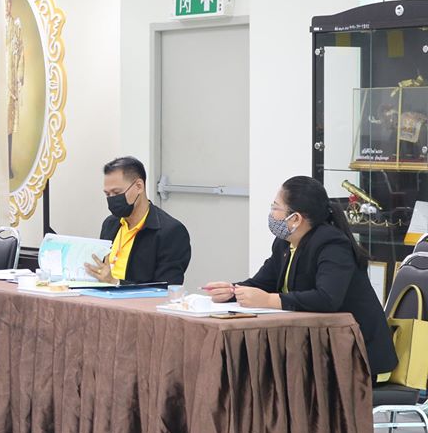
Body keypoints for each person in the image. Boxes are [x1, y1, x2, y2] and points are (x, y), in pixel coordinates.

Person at [204, 176, 398, 382]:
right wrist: (231, 291)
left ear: (295, 218)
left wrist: (269, 300)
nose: (271, 214)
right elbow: (262, 283)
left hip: (357, 356)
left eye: (275, 207)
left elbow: (327, 299)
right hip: (318, 349)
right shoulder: (284, 243)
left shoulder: (332, 244)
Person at [85, 156, 191, 285]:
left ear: (139, 186)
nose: (112, 199)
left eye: (117, 192)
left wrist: (115, 282)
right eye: (107, 194)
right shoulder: (110, 224)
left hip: (132, 298)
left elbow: (166, 289)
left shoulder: (170, 232)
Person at [5, 0, 25, 180]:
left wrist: (19, 75)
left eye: (9, 2)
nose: (6, 5)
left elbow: (21, 52)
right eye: (4, 2)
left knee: (9, 127)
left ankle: (7, 165)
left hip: (10, 82)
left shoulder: (16, 26)